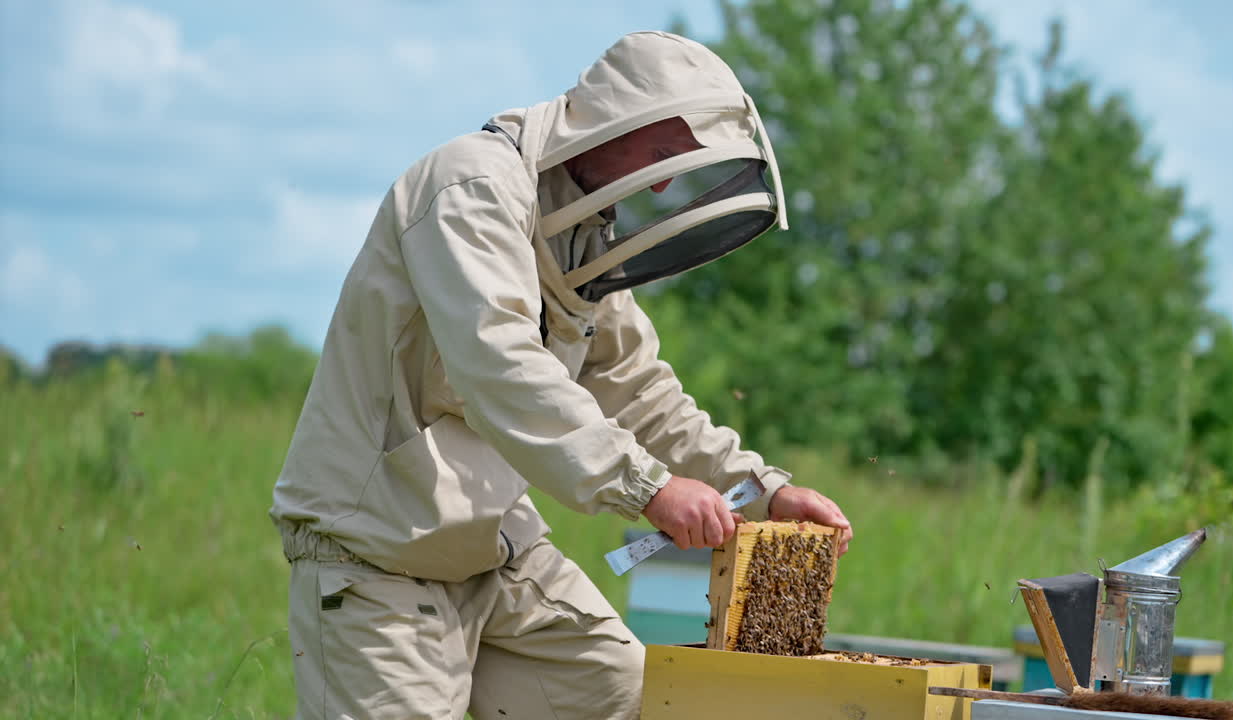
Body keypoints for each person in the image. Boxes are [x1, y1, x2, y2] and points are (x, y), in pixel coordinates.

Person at [270, 31, 852, 719]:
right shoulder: (472, 188)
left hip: (496, 558)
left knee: (641, 700)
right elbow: (501, 367)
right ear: (611, 121)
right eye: (662, 154)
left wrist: (763, 492)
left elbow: (639, 391)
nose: (666, 182)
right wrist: (650, 488)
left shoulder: (582, 229)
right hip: (376, 563)